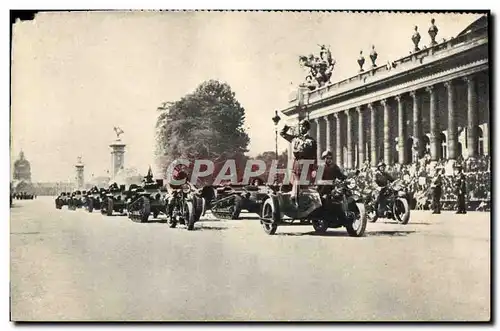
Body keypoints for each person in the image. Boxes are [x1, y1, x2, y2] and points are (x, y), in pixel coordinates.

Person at [280, 119, 317, 206]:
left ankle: (298, 201)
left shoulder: (311, 141)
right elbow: (282, 134)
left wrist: (314, 168)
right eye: (300, 126)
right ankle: (291, 199)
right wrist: (287, 126)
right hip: (295, 165)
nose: (301, 128)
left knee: (302, 186)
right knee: (290, 183)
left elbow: (314, 156)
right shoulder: (295, 138)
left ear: (307, 128)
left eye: (303, 126)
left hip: (306, 166)